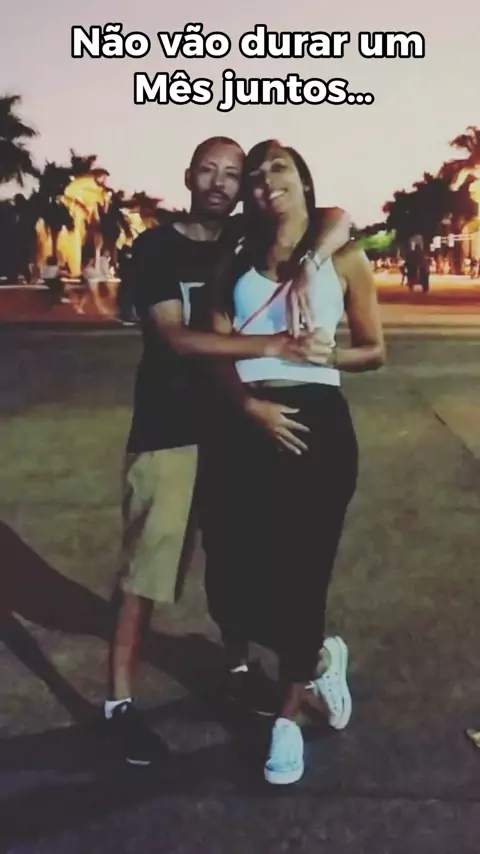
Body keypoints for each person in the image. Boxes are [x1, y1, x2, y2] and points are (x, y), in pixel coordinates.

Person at [103, 135, 353, 766]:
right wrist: (271, 349)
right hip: (170, 429)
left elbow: (336, 215)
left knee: (237, 566)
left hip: (235, 435)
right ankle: (119, 705)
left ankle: (246, 670)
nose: (219, 182)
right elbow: (175, 337)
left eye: (233, 174)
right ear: (189, 176)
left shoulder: (247, 238)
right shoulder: (158, 246)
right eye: (208, 171)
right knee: (147, 574)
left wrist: (311, 259)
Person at [200, 139, 385, 785]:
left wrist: (328, 356)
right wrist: (249, 406)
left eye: (278, 168)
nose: (264, 181)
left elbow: (374, 349)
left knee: (302, 573)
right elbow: (216, 347)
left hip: (318, 424)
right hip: (246, 421)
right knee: (233, 581)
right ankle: (321, 658)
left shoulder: (345, 257)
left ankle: (286, 721)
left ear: (304, 180)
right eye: (254, 175)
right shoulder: (236, 257)